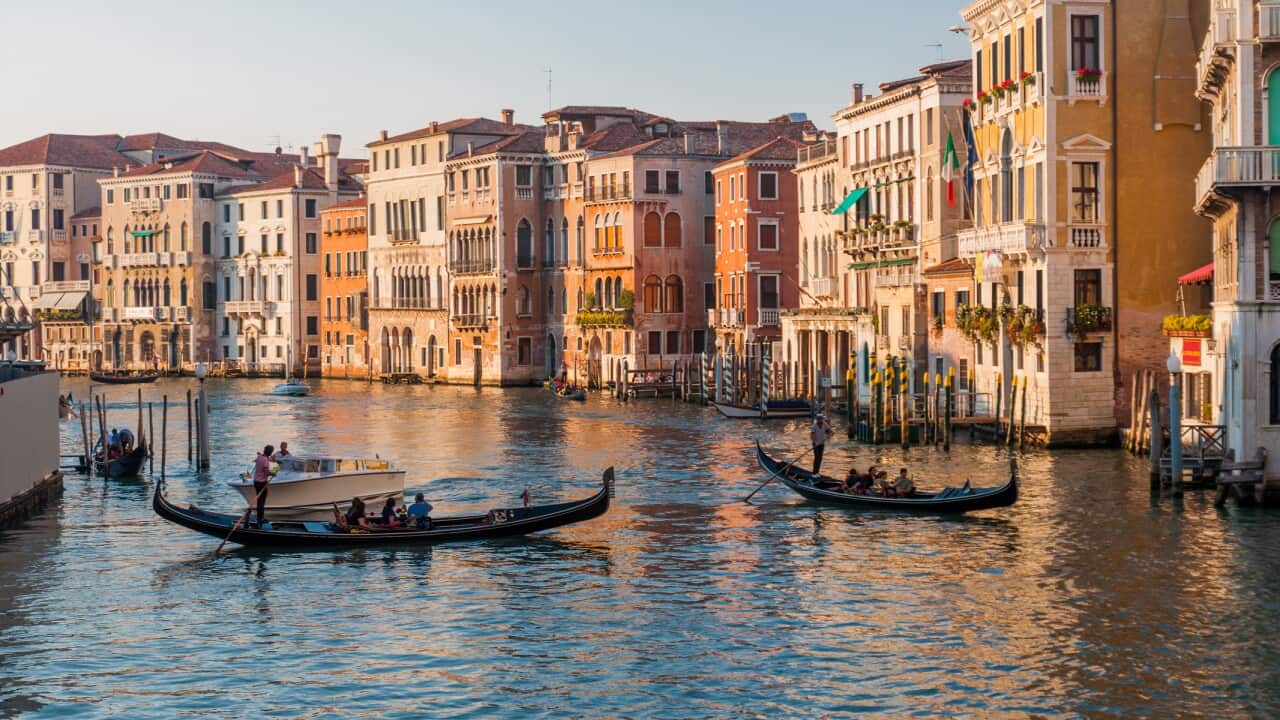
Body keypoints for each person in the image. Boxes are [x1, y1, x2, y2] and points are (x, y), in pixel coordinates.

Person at [251, 445, 277, 528]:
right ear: (270, 452)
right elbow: (266, 472)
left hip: (256, 482)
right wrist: (273, 474)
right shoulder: (265, 460)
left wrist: (272, 460)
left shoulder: (259, 457)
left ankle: (259, 518)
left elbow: (260, 461)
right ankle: (260, 518)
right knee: (262, 501)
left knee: (259, 501)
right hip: (262, 483)